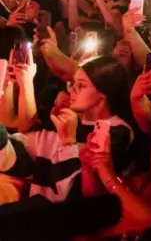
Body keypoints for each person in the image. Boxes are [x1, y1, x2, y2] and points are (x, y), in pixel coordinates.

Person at [0, 56, 135, 202]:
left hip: (68, 212)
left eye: (81, 85)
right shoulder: (65, 120)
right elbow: (17, 159)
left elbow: (81, 193)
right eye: (72, 83)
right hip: (37, 206)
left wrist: (69, 142)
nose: (72, 90)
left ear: (103, 94)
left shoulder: (115, 132)